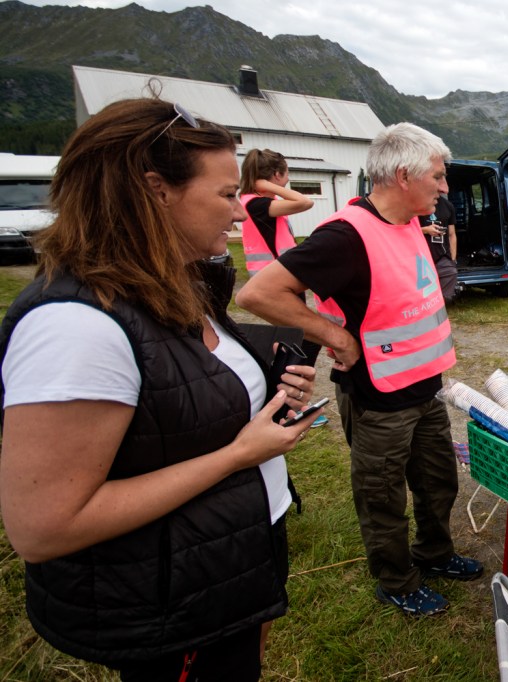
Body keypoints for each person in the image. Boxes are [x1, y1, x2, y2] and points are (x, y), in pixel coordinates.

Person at [0, 98, 324, 680]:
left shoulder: (178, 283)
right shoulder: (75, 326)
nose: (238, 213)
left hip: (226, 556)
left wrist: (263, 377)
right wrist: (238, 454)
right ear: (156, 190)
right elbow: (45, 527)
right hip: (166, 599)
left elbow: (175, 391)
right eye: (227, 195)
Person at [235, 122, 483, 617]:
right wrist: (333, 335)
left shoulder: (409, 221)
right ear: (401, 175)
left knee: (438, 484)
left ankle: (434, 554)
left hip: (424, 390)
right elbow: (257, 293)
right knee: (382, 497)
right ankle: (395, 579)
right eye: (437, 176)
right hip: (377, 397)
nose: (444, 186)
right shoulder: (346, 236)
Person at [240, 149, 327, 428]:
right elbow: (303, 202)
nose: (287, 181)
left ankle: (286, 402)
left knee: (297, 340)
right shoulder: (257, 203)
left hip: (286, 281)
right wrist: (265, 185)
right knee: (304, 338)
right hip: (276, 285)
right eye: (285, 174)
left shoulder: (262, 202)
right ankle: (287, 404)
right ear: (276, 175)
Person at [419, 192, 459, 303]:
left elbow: (451, 234)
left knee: (451, 272)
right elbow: (405, 230)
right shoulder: (417, 204)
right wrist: (426, 230)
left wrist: (453, 259)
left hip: (442, 255)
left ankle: (440, 305)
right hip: (422, 257)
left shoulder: (448, 205)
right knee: (424, 290)